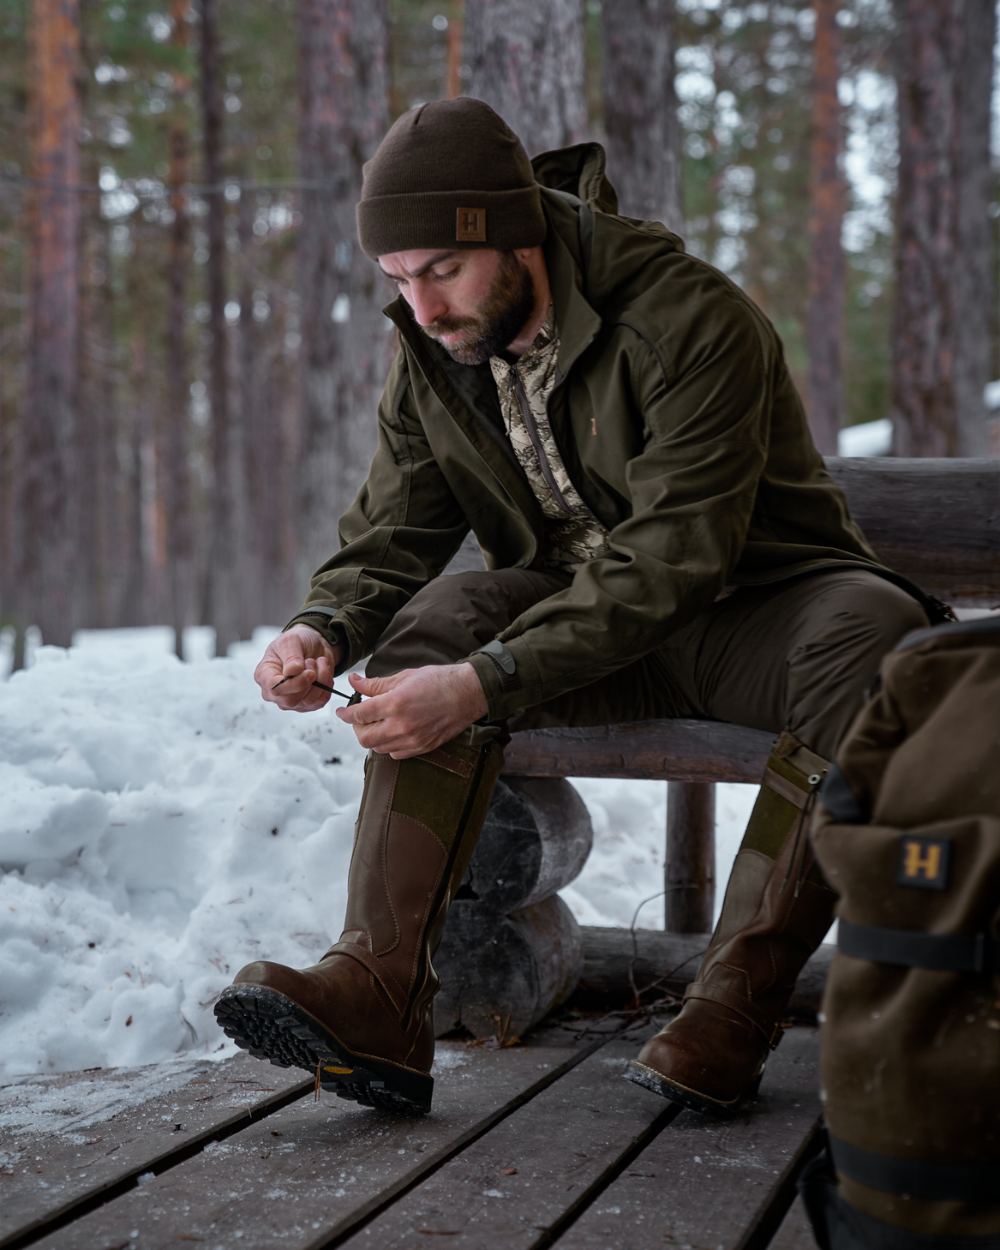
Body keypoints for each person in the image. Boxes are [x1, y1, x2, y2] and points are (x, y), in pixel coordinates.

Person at [214, 97, 936, 1116]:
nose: (421, 309)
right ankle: (376, 991)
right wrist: (322, 624)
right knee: (440, 622)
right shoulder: (440, 346)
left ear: (514, 232)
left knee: (872, 635)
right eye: (398, 279)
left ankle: (730, 1010)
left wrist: (486, 681)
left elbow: (674, 557)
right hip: (590, 622)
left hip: (754, 611)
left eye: (441, 271)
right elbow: (398, 524)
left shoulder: (688, 317)